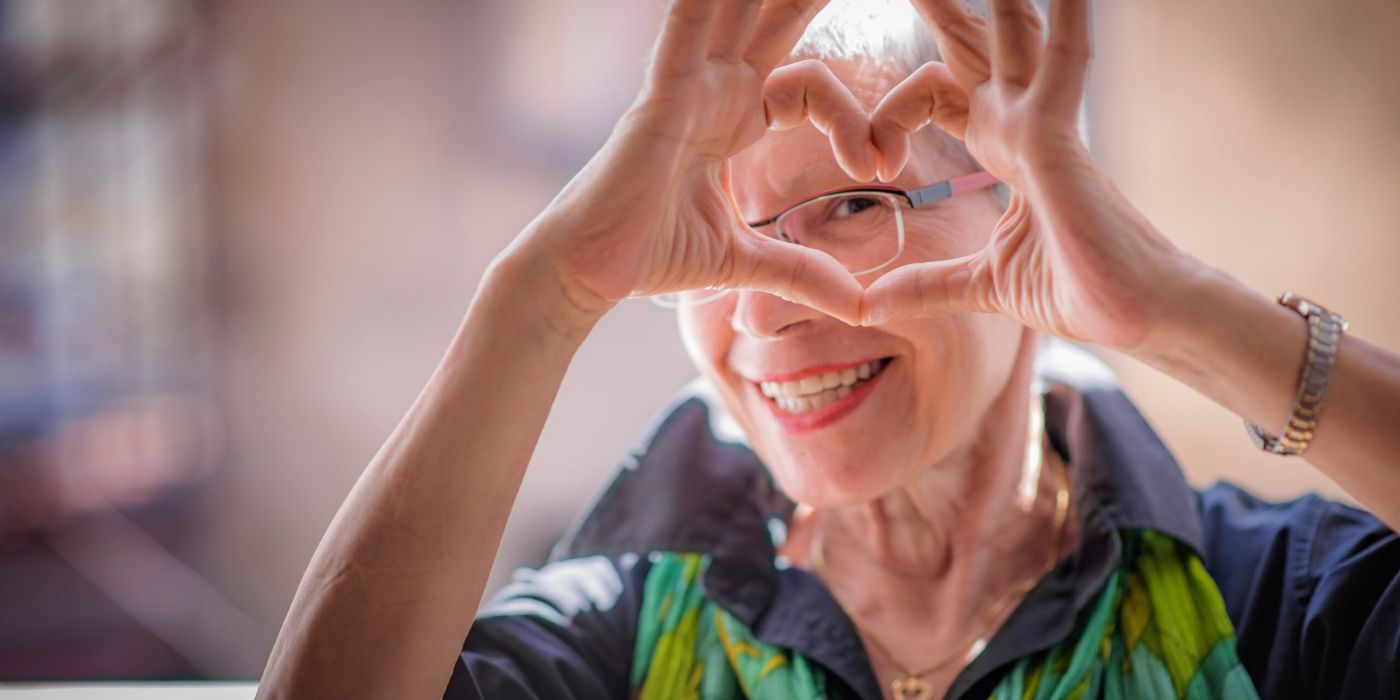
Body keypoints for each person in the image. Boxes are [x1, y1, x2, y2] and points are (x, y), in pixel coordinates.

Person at [255, 0, 1400, 698]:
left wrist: (1184, 310)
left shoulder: (1260, 610)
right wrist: (539, 298)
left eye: (852, 205)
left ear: (1027, 209)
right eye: (709, 241)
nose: (760, 312)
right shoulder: (628, 631)